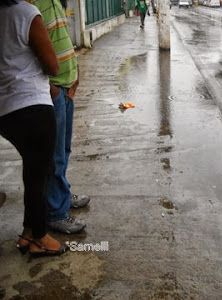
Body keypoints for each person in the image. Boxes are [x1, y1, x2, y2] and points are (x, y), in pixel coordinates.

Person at [0, 0, 66, 255]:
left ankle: (29, 232)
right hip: (33, 105)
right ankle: (40, 237)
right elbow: (52, 65)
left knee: (34, 169)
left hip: (5, 110)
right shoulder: (27, 14)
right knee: (39, 173)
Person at [28, 0, 90, 234]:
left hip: (67, 86)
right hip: (54, 90)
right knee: (54, 155)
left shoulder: (56, 2)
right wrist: (52, 88)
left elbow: (62, 40)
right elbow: (30, 50)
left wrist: (75, 72)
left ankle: (61, 195)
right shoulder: (33, 6)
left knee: (63, 150)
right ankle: (55, 212)